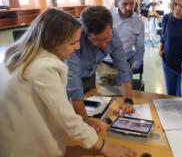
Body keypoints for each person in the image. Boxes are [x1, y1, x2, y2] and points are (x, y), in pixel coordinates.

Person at [0, 9, 137, 157]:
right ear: (54, 41)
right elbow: (68, 118)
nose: (78, 47)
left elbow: (50, 111)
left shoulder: (21, 57)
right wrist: (104, 146)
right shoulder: (44, 67)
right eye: (73, 43)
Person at [66, 6, 134, 132]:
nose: (103, 45)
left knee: (93, 111)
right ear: (84, 33)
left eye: (107, 39)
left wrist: (128, 100)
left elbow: (123, 68)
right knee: (71, 121)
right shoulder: (73, 38)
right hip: (66, 79)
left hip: (90, 75)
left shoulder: (113, 35)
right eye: (97, 40)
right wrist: (85, 121)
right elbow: (73, 84)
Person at [159, 0, 182, 96]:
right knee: (170, 96)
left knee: (180, 97)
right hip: (168, 65)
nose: (177, 8)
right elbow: (163, 36)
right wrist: (161, 48)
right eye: (176, 4)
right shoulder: (167, 18)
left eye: (181, 5)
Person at [111, 0, 144, 72]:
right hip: (106, 63)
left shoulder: (139, 22)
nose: (129, 8)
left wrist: (135, 65)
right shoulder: (108, 17)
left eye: (132, 3)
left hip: (126, 63)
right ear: (118, 2)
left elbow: (140, 47)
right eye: (125, 4)